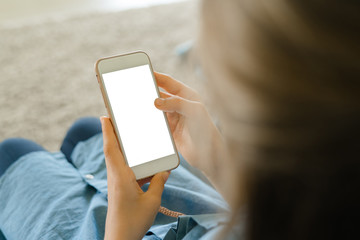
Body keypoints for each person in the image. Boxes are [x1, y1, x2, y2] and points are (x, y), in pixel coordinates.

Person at [1, 0, 360, 239]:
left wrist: (120, 233)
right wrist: (221, 165)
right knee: (86, 132)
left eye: (205, 62)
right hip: (206, 221)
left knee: (13, 154)